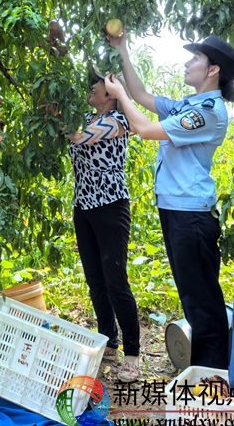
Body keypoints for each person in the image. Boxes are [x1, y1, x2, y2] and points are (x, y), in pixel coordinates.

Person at [104, 29, 234, 369]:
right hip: (176, 210)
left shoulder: (208, 111)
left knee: (202, 301)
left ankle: (213, 378)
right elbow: (141, 95)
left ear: (213, 70)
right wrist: (123, 49)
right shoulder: (188, 106)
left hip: (191, 215)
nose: (187, 62)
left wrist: (119, 94)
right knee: (192, 296)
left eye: (195, 58)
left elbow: (146, 128)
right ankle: (207, 370)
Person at [66, 72, 140, 382]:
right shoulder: (86, 115)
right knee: (95, 278)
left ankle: (133, 354)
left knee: (115, 281)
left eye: (96, 85)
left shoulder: (116, 121)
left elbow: (79, 136)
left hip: (110, 206)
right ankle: (108, 339)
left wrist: (53, 113)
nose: (90, 88)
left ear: (110, 93)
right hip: (83, 206)